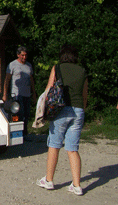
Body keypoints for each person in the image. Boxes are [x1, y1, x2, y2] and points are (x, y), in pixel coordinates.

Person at [36, 44, 88, 196]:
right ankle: (77, 185)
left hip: (61, 109)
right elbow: (84, 95)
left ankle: (49, 180)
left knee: (54, 145)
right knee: (72, 149)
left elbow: (49, 89)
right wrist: (82, 109)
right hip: (78, 111)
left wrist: (42, 109)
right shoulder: (83, 71)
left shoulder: (57, 68)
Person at [2, 46, 36, 137]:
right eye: (22, 55)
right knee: (19, 114)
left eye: (25, 55)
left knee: (27, 114)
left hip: (27, 94)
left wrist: (34, 95)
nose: (24, 57)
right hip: (17, 94)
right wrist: (4, 94)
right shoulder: (12, 65)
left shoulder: (28, 65)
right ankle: (18, 132)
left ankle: (25, 133)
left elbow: (32, 80)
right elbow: (7, 80)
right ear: (18, 55)